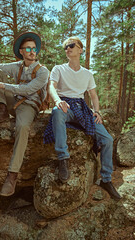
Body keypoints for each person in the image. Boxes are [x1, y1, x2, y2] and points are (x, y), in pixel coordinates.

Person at [43, 36, 121, 200]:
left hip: (81, 108)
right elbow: (51, 86)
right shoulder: (59, 69)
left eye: (71, 45)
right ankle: (63, 159)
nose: (68, 48)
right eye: (65, 47)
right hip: (65, 105)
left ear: (80, 49)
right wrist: (58, 101)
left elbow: (93, 95)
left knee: (107, 139)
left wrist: (97, 111)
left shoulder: (87, 74)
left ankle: (106, 180)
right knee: (57, 111)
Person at [0, 32, 49, 197]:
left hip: (28, 106)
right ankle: (2, 110)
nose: (32, 51)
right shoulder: (17, 66)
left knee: (22, 126)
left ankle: (12, 175)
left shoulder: (43, 71)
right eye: (28, 48)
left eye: (34, 48)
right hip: (13, 102)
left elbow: (27, 90)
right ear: (21, 51)